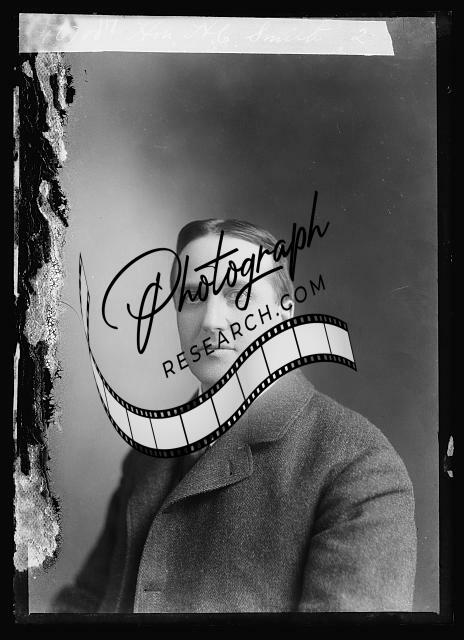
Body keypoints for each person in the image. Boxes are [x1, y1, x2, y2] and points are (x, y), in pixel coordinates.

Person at [54, 219, 417, 613]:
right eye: (193, 295)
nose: (210, 321)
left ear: (284, 312)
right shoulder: (147, 456)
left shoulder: (358, 464)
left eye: (238, 294)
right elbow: (83, 603)